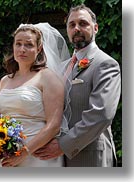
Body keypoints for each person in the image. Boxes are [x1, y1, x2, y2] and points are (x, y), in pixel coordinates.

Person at [33, 4, 121, 167]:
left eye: (83, 23)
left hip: (90, 156)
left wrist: (63, 145)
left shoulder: (106, 64)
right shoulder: (61, 67)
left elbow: (101, 114)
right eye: (72, 25)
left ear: (95, 28)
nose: (77, 28)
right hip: (57, 159)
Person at [0, 23, 70, 167]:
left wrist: (24, 152)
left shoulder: (48, 78)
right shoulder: (5, 81)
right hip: (7, 155)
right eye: (18, 44)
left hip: (37, 155)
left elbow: (54, 125)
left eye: (29, 45)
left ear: (39, 48)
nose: (22, 49)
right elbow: (0, 119)